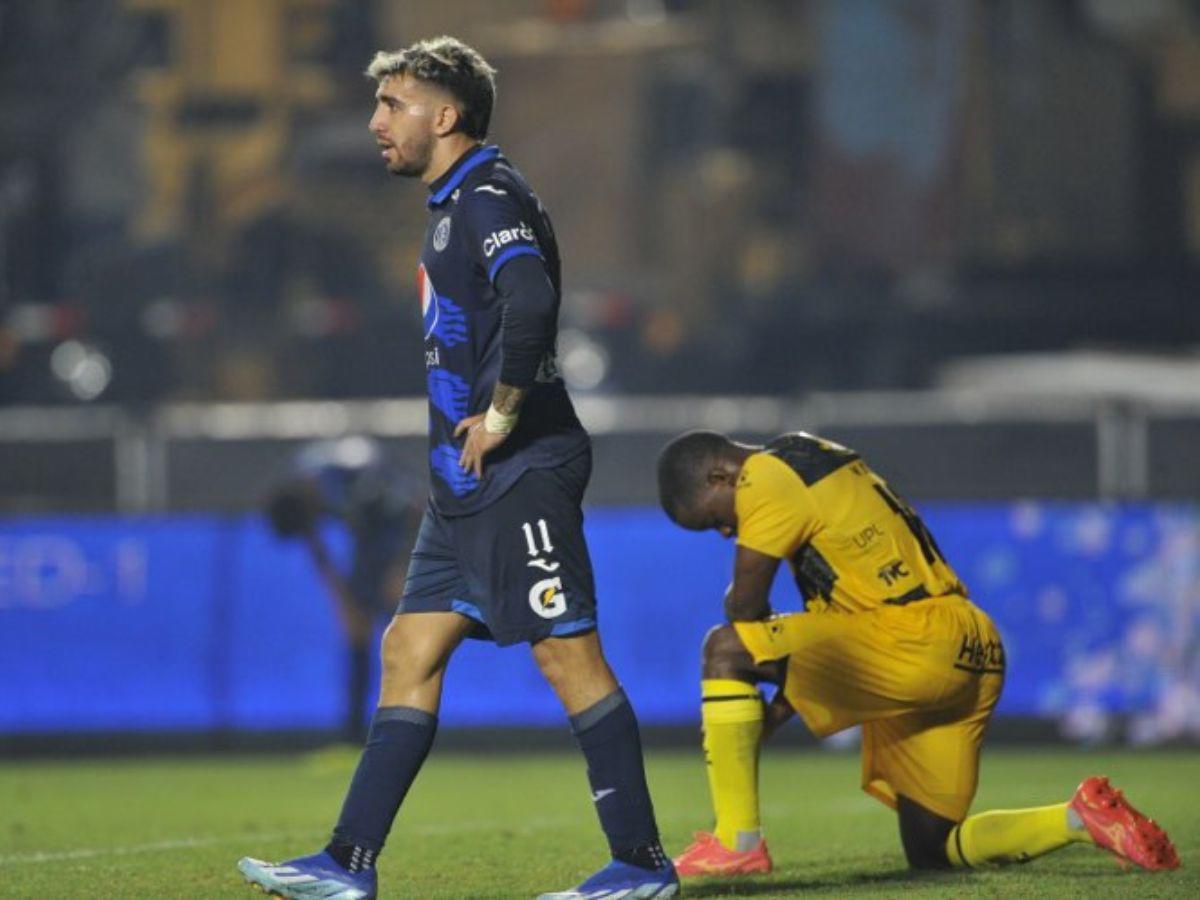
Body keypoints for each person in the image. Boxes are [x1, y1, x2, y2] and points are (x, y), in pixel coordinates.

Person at [238, 37, 678, 900]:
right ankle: (346, 863)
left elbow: (536, 301)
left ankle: (641, 866)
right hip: (462, 487)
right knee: (408, 651)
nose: (376, 123)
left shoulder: (486, 193)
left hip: (520, 470)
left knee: (569, 659)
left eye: (392, 106)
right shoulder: (452, 203)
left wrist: (505, 411)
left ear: (445, 116)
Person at [656, 429, 1180, 878]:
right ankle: (1077, 817)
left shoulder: (764, 476)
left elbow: (745, 606)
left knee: (722, 648)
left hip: (912, 639)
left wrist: (741, 629)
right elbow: (830, 644)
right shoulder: (813, 456)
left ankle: (737, 843)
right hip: (969, 645)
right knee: (934, 847)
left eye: (713, 521)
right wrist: (768, 717)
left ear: (721, 478)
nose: (726, 532)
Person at [264, 435, 424, 744]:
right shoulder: (298, 487)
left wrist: (402, 567)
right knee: (357, 631)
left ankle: (410, 730)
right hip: (368, 537)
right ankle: (352, 737)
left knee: (402, 633)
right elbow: (315, 543)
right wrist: (343, 598)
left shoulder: (356, 479)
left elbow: (416, 508)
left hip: (396, 534)